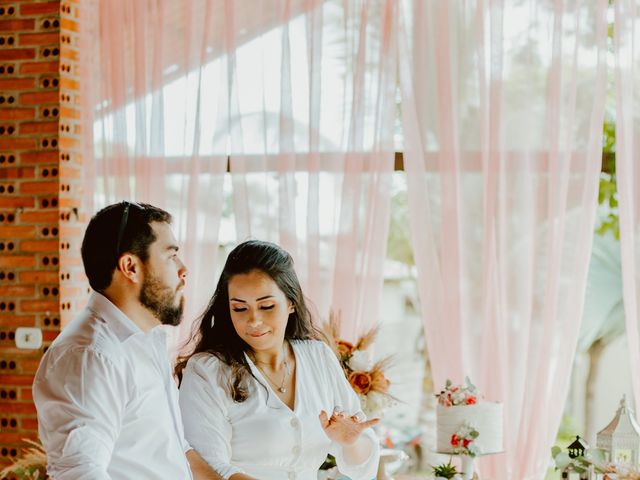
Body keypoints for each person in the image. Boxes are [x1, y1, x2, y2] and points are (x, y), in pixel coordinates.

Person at [33, 201, 222, 480]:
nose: (184, 270)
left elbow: (172, 452)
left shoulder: (146, 339)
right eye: (171, 256)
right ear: (130, 266)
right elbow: (80, 474)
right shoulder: (90, 356)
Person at [177, 240, 380, 480]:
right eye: (240, 309)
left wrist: (350, 442)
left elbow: (362, 462)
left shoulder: (318, 357)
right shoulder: (207, 371)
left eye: (266, 306)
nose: (253, 321)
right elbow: (207, 468)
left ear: (291, 302)